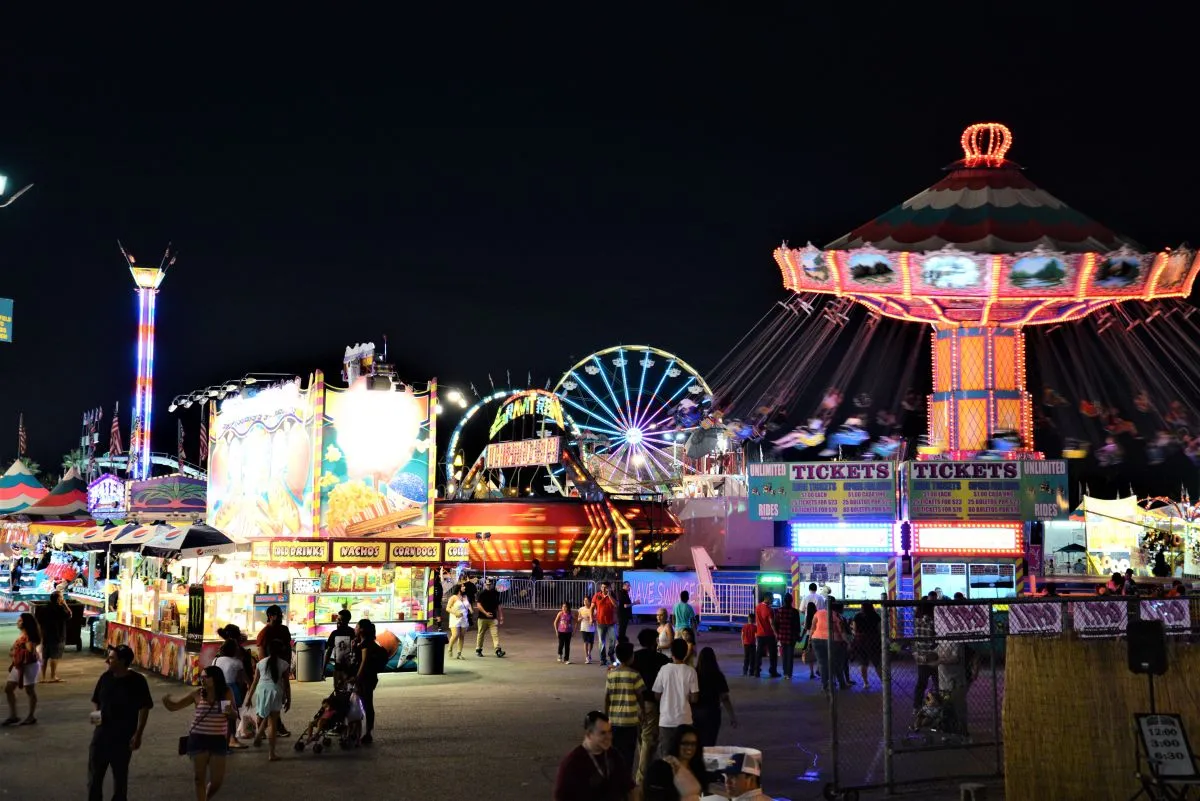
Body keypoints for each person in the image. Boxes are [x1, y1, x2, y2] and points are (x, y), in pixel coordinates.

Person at [88, 644, 153, 801]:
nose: (107, 660)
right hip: (101, 736)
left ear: (122, 661)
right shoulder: (105, 677)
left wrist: (138, 734)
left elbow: (144, 707)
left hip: (123, 738)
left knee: (120, 777)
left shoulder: (137, 681)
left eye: (111, 658)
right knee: (94, 777)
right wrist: (96, 723)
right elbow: (96, 701)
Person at [162, 666, 237, 801]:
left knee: (217, 781)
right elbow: (175, 706)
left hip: (218, 740)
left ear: (215, 678)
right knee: (199, 779)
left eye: (206, 677)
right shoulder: (197, 693)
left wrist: (228, 710)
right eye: (201, 677)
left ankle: (206, 796)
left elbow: (232, 715)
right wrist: (167, 701)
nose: (202, 680)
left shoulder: (225, 692)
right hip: (198, 739)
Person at [552, 710, 635, 801]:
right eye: (603, 733)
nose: (609, 737)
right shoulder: (572, 764)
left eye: (610, 732)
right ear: (589, 734)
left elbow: (629, 787)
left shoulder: (613, 755)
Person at [632, 628, 670, 784]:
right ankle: (642, 778)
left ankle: (645, 770)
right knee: (648, 739)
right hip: (650, 703)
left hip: (633, 702)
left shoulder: (634, 657)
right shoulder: (661, 659)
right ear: (654, 641)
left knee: (641, 738)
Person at [652, 638, 699, 757]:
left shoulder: (664, 670)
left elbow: (657, 694)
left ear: (671, 652)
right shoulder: (691, 671)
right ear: (685, 653)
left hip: (666, 720)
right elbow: (694, 698)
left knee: (666, 756)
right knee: (684, 756)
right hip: (685, 719)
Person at [247, 639, 292, 761]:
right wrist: (289, 699)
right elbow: (286, 684)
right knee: (273, 723)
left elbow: (254, 682)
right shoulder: (284, 664)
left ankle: (260, 732)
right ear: (281, 651)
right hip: (275, 691)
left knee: (262, 715)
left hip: (261, 691)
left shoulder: (260, 663)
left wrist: (249, 698)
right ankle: (271, 754)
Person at [604, 641, 645, 771]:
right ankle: (626, 778)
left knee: (615, 753)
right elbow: (640, 696)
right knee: (628, 754)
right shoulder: (635, 675)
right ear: (631, 657)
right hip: (630, 721)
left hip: (614, 720)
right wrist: (643, 711)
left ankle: (616, 778)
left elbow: (607, 698)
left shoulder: (611, 674)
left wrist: (606, 717)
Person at [253, 604, 292, 736]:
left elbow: (288, 648)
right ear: (270, 616)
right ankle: (268, 727)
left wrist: (287, 666)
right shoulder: (265, 633)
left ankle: (273, 727)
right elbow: (261, 654)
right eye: (277, 614)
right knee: (267, 702)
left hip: (281, 667)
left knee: (278, 698)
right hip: (270, 672)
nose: (280, 616)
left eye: (281, 614)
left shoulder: (284, 630)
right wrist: (266, 669)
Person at [693, 646, 737, 748]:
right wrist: (732, 716)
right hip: (712, 713)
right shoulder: (718, 675)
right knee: (709, 742)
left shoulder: (694, 674)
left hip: (695, 712)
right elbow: (725, 698)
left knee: (696, 742)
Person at [3, 611, 41, 725]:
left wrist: (21, 647)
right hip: (19, 665)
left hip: (29, 665)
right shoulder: (22, 636)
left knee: (29, 690)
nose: (17, 622)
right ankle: (13, 715)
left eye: (20, 621)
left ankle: (31, 716)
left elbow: (30, 651)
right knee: (9, 688)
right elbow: (14, 650)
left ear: (26, 623)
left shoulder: (30, 636)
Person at [213, 638, 250, 749]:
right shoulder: (237, 663)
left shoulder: (216, 660)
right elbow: (242, 679)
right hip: (230, 690)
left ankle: (225, 739)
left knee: (224, 716)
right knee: (231, 716)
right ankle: (231, 739)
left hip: (217, 690)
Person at [355, 619, 387, 744]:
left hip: (366, 678)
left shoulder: (366, 644)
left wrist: (357, 677)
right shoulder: (363, 642)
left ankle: (367, 732)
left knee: (367, 704)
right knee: (364, 703)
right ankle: (363, 731)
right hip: (368, 677)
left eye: (357, 626)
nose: (355, 628)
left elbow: (364, 662)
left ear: (362, 630)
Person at [36, 591, 72, 683]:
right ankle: (53, 676)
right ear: (59, 599)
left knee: (45, 657)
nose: (63, 598)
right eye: (62, 597)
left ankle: (43, 677)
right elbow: (69, 615)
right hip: (57, 636)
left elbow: (39, 621)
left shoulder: (44, 608)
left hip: (45, 635)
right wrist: (65, 604)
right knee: (54, 656)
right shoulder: (60, 609)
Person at [912, 602, 938, 711]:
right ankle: (939, 705)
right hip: (933, 657)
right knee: (938, 683)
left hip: (921, 657)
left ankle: (916, 706)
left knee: (921, 683)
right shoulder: (933, 622)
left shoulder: (916, 622)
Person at [851, 601, 883, 689]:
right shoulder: (876, 616)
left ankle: (865, 683)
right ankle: (884, 682)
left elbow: (855, 630)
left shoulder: (857, 616)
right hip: (873, 640)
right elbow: (880, 629)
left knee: (863, 662)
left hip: (860, 641)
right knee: (877, 663)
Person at [475, 576, 506, 657]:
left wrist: (501, 616)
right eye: (487, 584)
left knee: (495, 634)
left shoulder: (495, 593)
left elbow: (498, 605)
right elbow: (478, 605)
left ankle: (498, 650)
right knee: (481, 634)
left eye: (490, 584)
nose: (488, 586)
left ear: (492, 585)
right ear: (484, 584)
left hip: (493, 618)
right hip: (482, 618)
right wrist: (485, 613)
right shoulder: (481, 593)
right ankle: (478, 649)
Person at [324, 609, 357, 685]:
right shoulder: (334, 633)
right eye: (338, 619)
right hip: (338, 668)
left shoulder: (353, 633)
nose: (338, 621)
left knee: (348, 689)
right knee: (337, 688)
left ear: (347, 621)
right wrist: (324, 668)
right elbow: (329, 651)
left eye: (341, 620)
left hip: (350, 669)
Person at [754, 593, 779, 678]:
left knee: (759, 653)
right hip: (769, 634)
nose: (773, 600)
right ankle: (773, 671)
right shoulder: (769, 610)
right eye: (772, 598)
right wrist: (776, 633)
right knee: (773, 653)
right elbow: (771, 623)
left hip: (760, 634)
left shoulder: (757, 607)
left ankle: (756, 671)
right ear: (767, 598)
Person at [592, 581, 617, 665]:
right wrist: (591, 617)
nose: (603, 588)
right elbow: (592, 607)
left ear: (609, 588)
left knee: (613, 640)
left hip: (611, 623)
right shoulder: (597, 595)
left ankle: (611, 654)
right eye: (602, 587)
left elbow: (616, 605)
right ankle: (603, 659)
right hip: (600, 622)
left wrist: (609, 596)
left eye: (605, 587)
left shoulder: (613, 595)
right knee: (601, 641)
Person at [776, 593, 801, 680]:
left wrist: (777, 634)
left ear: (784, 601)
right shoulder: (795, 611)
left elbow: (776, 624)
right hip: (791, 637)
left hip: (782, 636)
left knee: (784, 655)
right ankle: (789, 674)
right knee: (790, 656)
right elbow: (797, 625)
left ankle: (785, 672)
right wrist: (798, 636)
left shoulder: (779, 611)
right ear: (791, 601)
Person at [446, 583, 471, 659]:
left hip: (464, 618)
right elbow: (448, 608)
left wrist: (471, 609)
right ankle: (450, 647)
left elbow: (468, 605)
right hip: (455, 618)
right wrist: (456, 613)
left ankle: (459, 653)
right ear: (459, 588)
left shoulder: (465, 596)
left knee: (462, 636)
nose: (464, 587)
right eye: (463, 586)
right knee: (455, 635)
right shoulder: (453, 597)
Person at [579, 595, 597, 664]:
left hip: (591, 628)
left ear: (590, 602)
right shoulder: (581, 609)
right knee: (585, 642)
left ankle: (589, 653)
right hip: (584, 627)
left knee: (591, 643)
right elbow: (578, 619)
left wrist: (592, 619)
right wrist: (580, 618)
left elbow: (596, 618)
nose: (585, 602)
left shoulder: (593, 609)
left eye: (587, 600)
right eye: (584, 600)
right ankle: (587, 656)